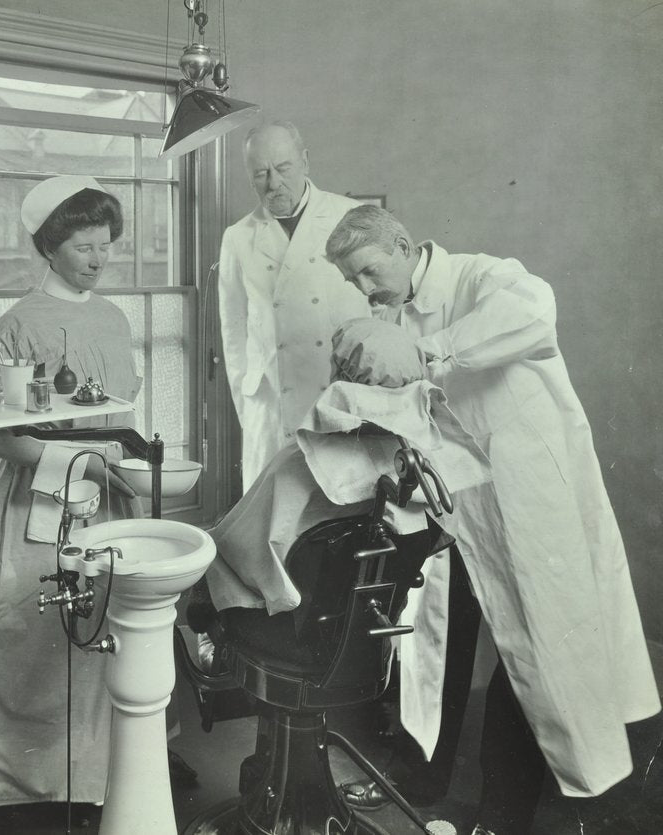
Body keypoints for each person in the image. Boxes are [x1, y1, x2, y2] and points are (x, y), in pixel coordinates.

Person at [324, 205, 661, 835]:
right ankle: (424, 775)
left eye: (369, 271)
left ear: (403, 243)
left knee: (536, 638)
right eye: (354, 282)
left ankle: (513, 808)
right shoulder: (388, 311)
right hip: (453, 499)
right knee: (436, 636)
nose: (365, 290)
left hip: (528, 491)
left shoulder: (484, 277)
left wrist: (432, 350)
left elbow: (533, 316)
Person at [0, 176, 142, 818]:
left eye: (105, 245)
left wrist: (117, 465)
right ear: (49, 248)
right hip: (36, 496)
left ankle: (98, 779)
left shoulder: (113, 319)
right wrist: (73, 459)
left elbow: (119, 416)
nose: (97, 258)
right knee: (29, 635)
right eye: (83, 246)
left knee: (101, 637)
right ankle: (15, 787)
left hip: (105, 496)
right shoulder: (18, 325)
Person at [218, 120, 369, 492]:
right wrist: (247, 401)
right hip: (271, 405)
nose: (273, 183)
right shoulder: (238, 237)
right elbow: (233, 331)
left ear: (305, 161)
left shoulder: (351, 217)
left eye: (283, 168)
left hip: (337, 394)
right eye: (261, 173)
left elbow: (381, 312)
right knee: (272, 515)